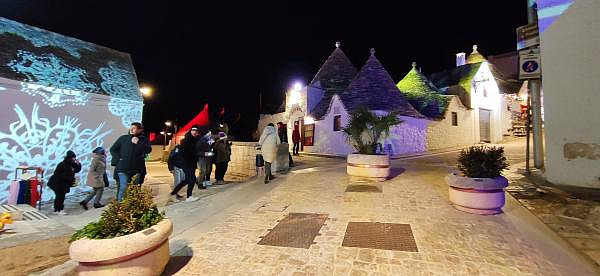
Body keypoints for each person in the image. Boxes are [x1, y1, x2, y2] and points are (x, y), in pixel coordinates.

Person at [109, 122, 152, 202]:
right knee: (123, 187)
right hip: (123, 168)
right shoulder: (123, 138)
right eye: (131, 128)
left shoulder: (144, 140)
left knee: (135, 188)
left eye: (134, 128)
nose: (131, 129)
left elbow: (148, 150)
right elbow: (113, 149)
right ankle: (120, 207)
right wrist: (119, 159)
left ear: (140, 130)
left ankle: (132, 206)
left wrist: (138, 142)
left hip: (137, 169)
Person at [170, 126, 200, 202]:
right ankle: (189, 196)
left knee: (187, 180)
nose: (194, 132)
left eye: (196, 131)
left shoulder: (196, 140)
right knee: (192, 179)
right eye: (193, 130)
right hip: (187, 163)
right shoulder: (186, 140)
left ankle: (173, 193)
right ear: (190, 131)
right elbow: (184, 153)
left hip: (192, 163)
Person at [47, 150, 82, 215]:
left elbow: (76, 170)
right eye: (73, 157)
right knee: (60, 196)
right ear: (69, 157)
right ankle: (58, 210)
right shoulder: (62, 164)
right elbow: (58, 174)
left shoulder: (71, 164)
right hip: (57, 183)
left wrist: (79, 164)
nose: (75, 159)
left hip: (63, 183)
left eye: (75, 157)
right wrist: (70, 178)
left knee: (60, 196)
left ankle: (57, 208)